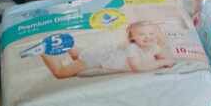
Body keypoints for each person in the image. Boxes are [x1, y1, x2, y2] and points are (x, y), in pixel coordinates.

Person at [42, 21, 175, 79]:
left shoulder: (154, 46)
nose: (148, 37)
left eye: (151, 33)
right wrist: (161, 63)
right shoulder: (132, 48)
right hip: (97, 59)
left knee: (78, 55)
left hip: (103, 55)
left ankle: (65, 43)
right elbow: (138, 67)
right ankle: (43, 50)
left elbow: (164, 56)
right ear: (132, 38)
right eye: (142, 34)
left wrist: (165, 59)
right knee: (61, 73)